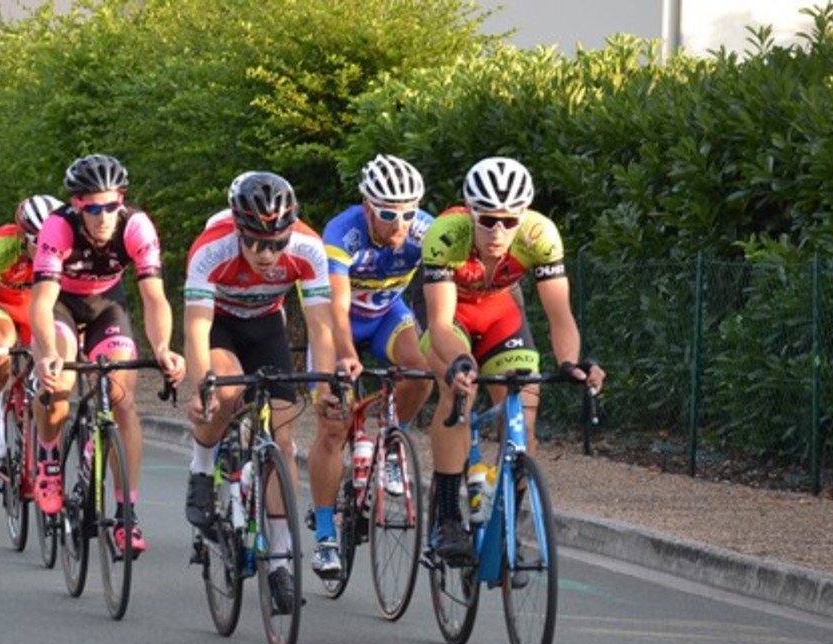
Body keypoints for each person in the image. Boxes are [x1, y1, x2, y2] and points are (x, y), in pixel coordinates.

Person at [418, 156, 605, 559]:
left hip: (500, 314)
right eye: (487, 220)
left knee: (525, 408)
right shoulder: (446, 234)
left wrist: (569, 362)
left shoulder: (540, 235)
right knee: (458, 391)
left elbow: (560, 315)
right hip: (451, 317)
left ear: (524, 215)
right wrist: (460, 362)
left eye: (508, 220)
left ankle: (506, 525)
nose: (498, 231)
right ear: (470, 211)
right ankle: (447, 517)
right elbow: (440, 324)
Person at [182, 171, 348, 612]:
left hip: (266, 327)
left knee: (283, 439)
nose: (266, 254)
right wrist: (201, 387)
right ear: (238, 229)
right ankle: (202, 469)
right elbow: (196, 328)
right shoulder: (211, 248)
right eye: (255, 242)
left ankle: (279, 559)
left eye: (276, 243)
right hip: (220, 324)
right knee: (228, 392)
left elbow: (320, 326)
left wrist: (324, 386)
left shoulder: (308, 247)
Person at [30, 154, 186, 557]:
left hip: (107, 306)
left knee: (122, 399)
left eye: (112, 206)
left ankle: (126, 514)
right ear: (77, 205)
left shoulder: (136, 226)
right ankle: (48, 458)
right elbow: (42, 302)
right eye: (94, 209)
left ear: (122, 200)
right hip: (62, 305)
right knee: (60, 381)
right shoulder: (58, 227)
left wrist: (163, 347)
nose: (104, 217)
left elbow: (154, 298)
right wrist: (47, 354)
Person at [306, 154, 436, 579]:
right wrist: (346, 355)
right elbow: (336, 307)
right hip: (337, 322)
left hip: (385, 315)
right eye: (388, 214)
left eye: (408, 213)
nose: (400, 224)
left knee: (421, 372)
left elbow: (442, 290)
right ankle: (325, 534)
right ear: (367, 207)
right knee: (333, 422)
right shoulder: (342, 233)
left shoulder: (426, 231)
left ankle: (391, 441)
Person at [0, 194, 63, 465]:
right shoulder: (0, 245)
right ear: (23, 236)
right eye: (39, 242)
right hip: (2, 304)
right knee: (1, 345)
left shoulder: (66, 248)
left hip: (38, 306)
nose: (47, 249)